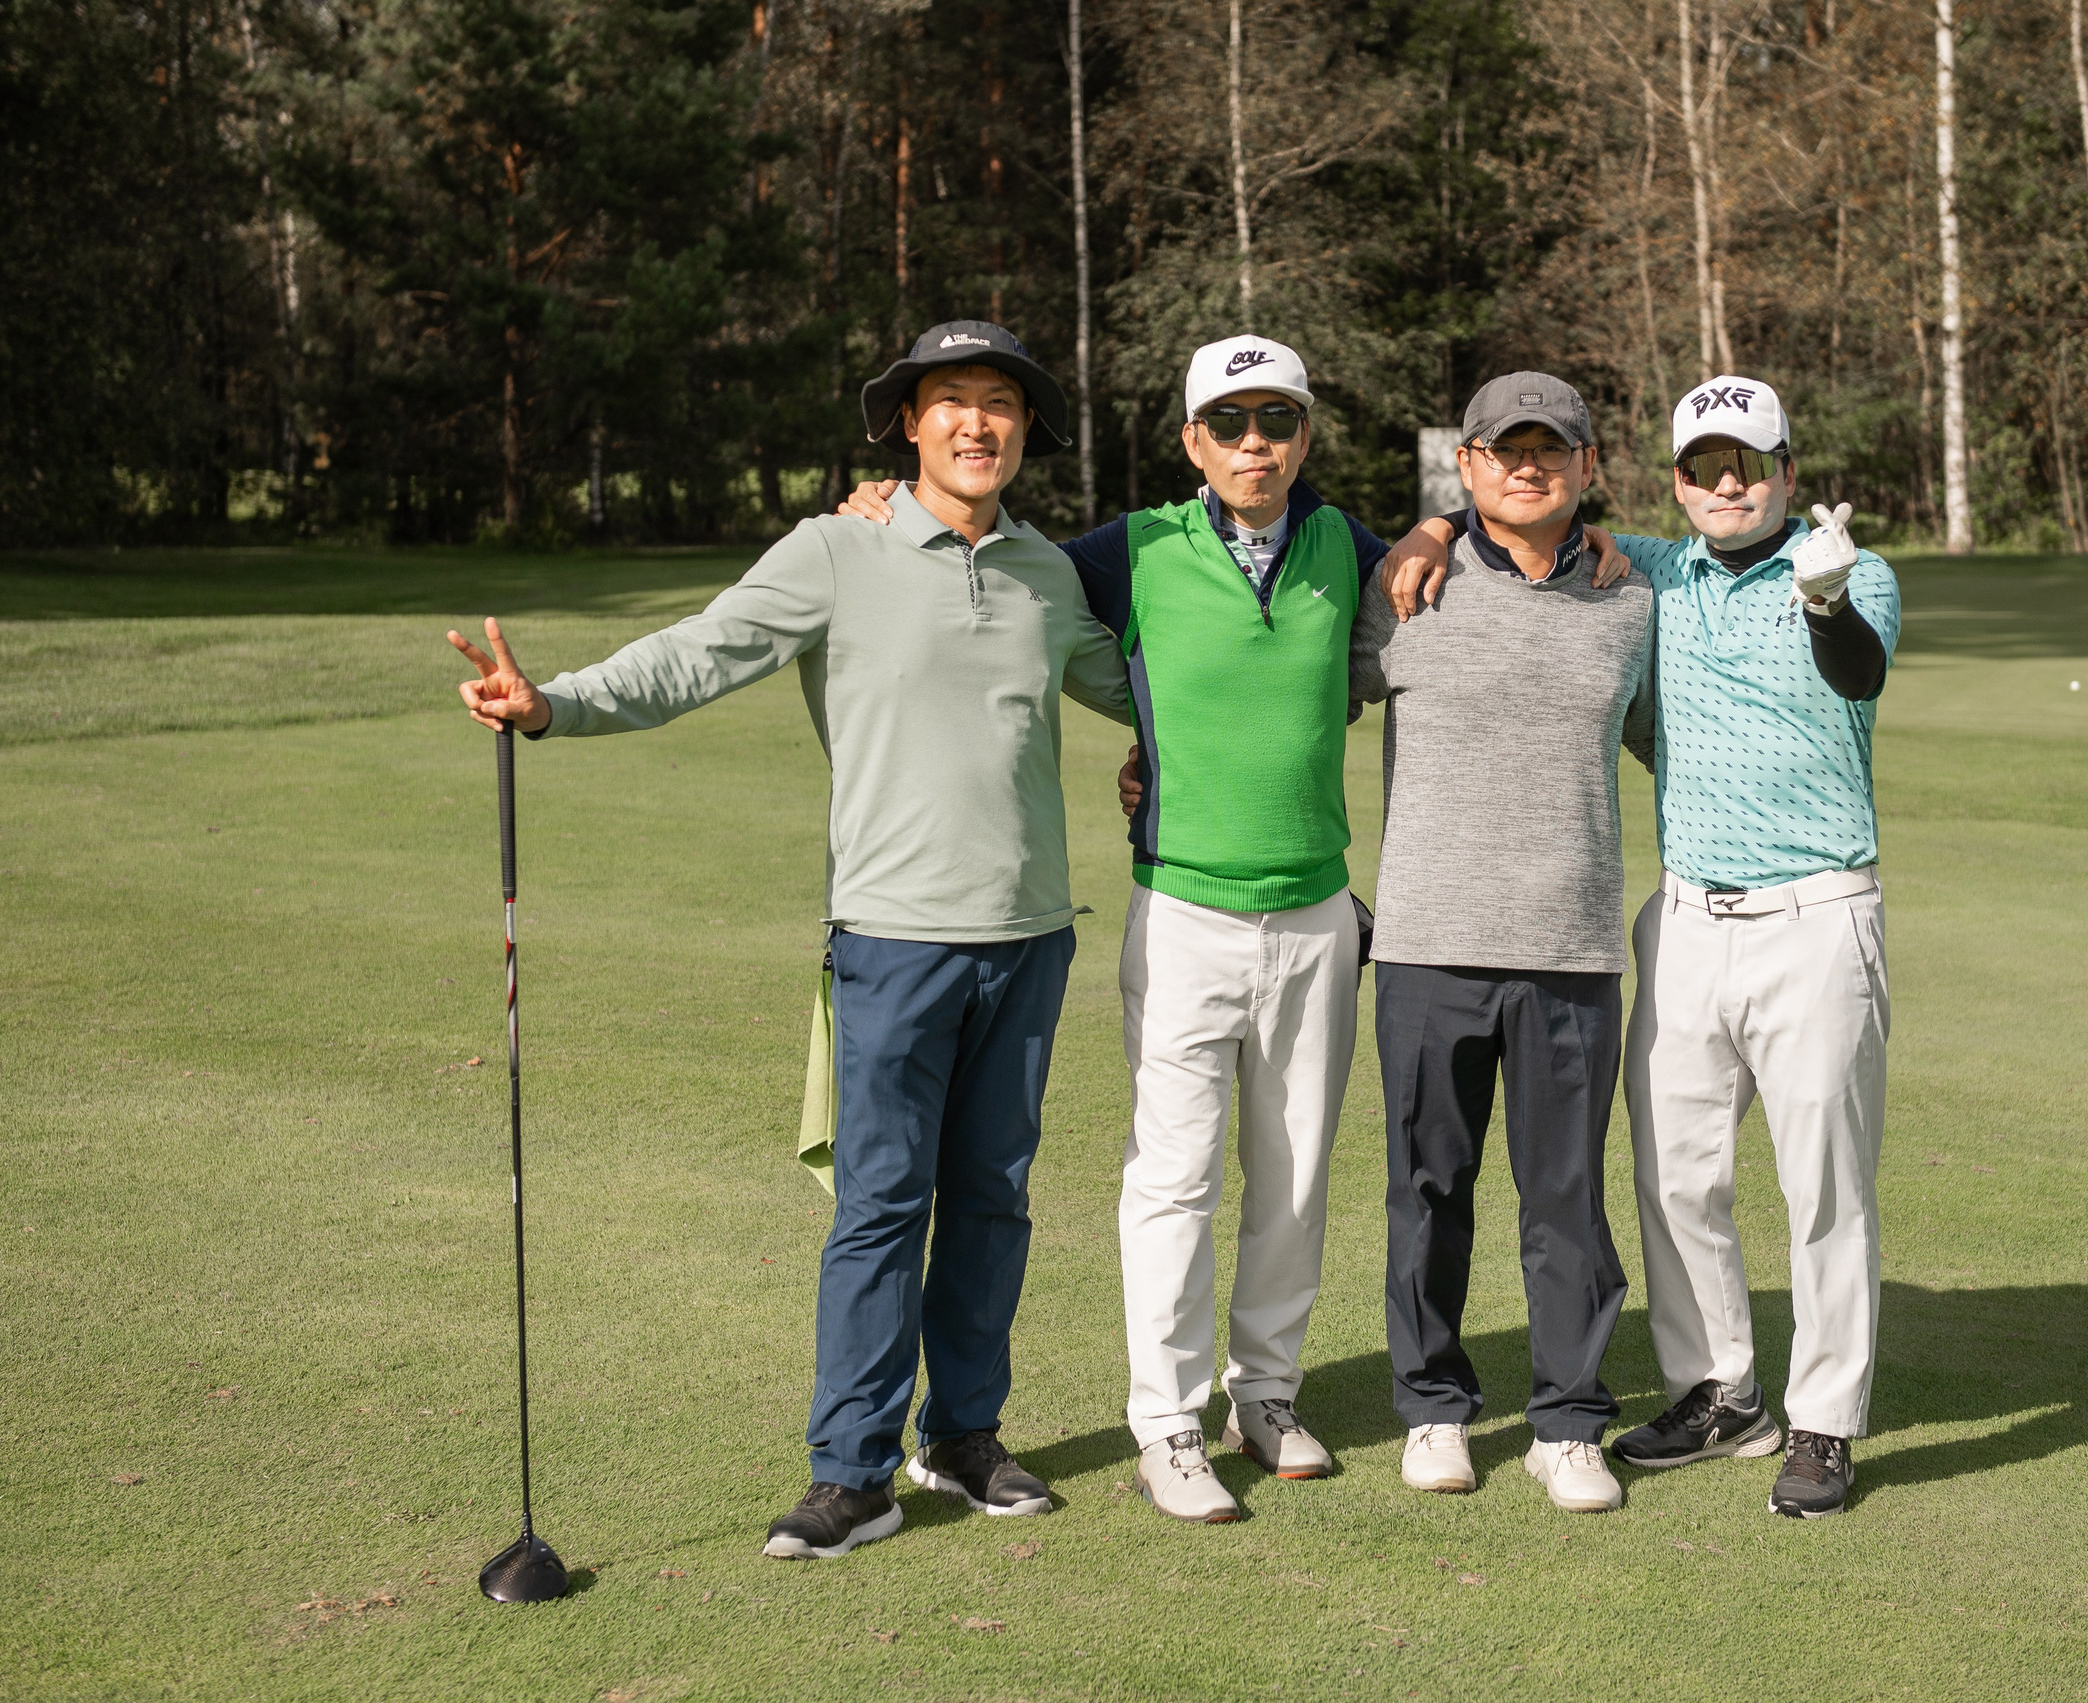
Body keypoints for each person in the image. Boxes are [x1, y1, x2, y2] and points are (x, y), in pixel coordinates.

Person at [841, 335, 1632, 1522]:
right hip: (1182, 909)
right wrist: (886, 503)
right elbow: (993, 564)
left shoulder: (1351, 547)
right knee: (1173, 1177)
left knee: (1296, 1175)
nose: (1252, 442)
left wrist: (1429, 525)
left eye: (1275, 421)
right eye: (1228, 423)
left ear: (1304, 436)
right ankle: (1167, 1423)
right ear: (1192, 439)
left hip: (1315, 912)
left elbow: (1472, 547)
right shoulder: (1129, 548)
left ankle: (1263, 1392)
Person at [447, 321, 1134, 1562]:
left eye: (999, 401)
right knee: (881, 1205)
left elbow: (1145, 687)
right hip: (892, 940)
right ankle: (853, 1470)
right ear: (908, 424)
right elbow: (696, 654)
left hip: (1031, 937)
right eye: (950, 400)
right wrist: (554, 705)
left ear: (1025, 428)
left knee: (992, 1201)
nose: (976, 422)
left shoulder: (1045, 570)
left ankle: (963, 1435)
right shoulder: (835, 548)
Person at [1392, 373, 1898, 1518]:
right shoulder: (1650, 573)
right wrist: (1433, 525)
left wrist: (1825, 603)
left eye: (1749, 462)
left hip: (1817, 914)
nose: (1728, 482)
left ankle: (1823, 1419)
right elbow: (1524, 521)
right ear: (1673, 481)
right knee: (1673, 1177)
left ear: (1785, 469)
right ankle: (1719, 1390)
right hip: (1683, 918)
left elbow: (1858, 671)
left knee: (1824, 1183)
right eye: (1704, 465)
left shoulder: (1850, 570)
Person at [1348, 373, 1654, 1514]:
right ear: (1467, 464)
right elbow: (1294, 695)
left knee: (1566, 1197)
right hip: (1429, 941)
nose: (1528, 466)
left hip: (1572, 946)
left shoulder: (1632, 596)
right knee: (1427, 1187)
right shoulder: (1406, 584)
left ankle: (1568, 1421)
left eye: (1551, 449)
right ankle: (1434, 1406)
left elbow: (1672, 736)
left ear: (1587, 465)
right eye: (1504, 449)